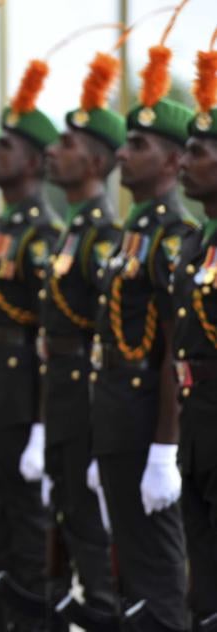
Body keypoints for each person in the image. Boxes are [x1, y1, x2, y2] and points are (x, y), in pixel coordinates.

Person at [91, 42, 194, 631]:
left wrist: (164, 448)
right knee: (130, 577)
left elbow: (173, 351)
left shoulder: (174, 236)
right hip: (116, 419)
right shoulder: (133, 236)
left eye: (139, 146)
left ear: (174, 163)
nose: (124, 156)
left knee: (158, 580)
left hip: (149, 424)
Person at [0, 58, 61, 608]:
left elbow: (53, 337)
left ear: (32, 162)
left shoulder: (44, 233)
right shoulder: (1, 228)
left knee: (29, 532)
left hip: (23, 393)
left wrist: (41, 424)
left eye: (3, 147)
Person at [42, 51, 122, 615]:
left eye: (67, 145)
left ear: (95, 162)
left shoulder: (102, 237)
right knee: (65, 522)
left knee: (95, 536)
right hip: (60, 394)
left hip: (91, 399)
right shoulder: (71, 232)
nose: (53, 151)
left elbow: (116, 340)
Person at [173, 43, 217, 629]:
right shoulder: (194, 240)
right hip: (198, 418)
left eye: (198, 151)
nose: (184, 160)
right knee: (202, 587)